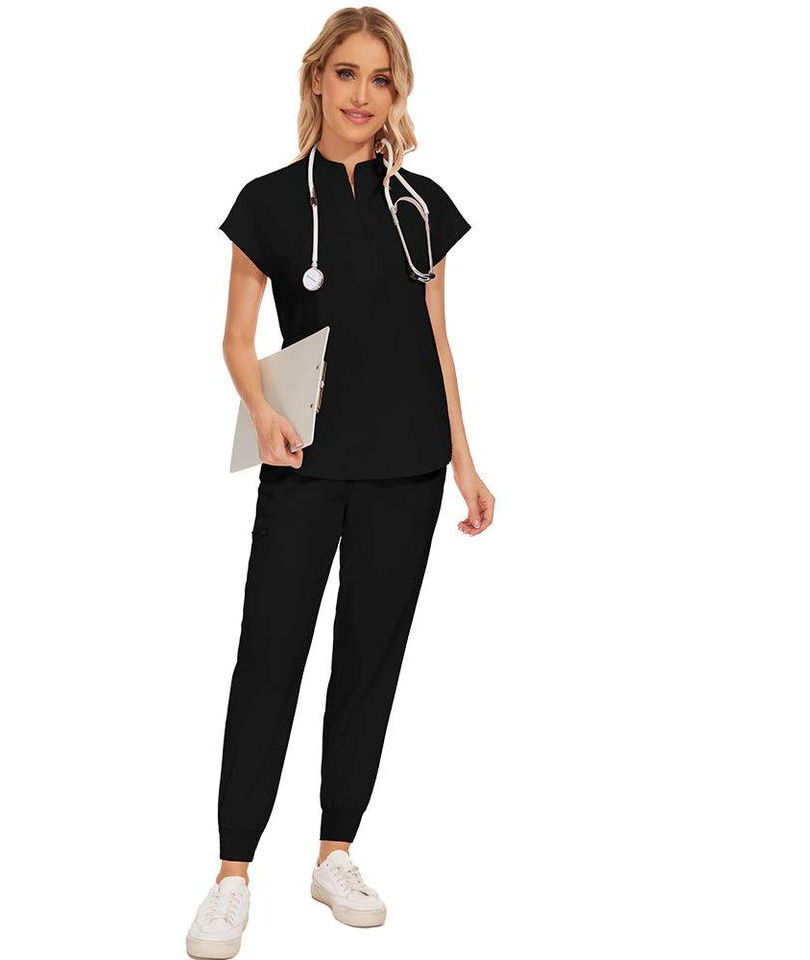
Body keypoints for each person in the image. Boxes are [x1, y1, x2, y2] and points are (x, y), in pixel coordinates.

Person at [186, 8, 495, 958]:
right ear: (317, 77)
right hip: (305, 459)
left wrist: (465, 460)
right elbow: (235, 338)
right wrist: (262, 410)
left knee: (369, 660)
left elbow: (438, 341)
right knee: (269, 655)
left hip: (409, 463)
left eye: (382, 79)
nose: (364, 95)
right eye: (349, 73)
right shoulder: (271, 203)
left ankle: (335, 854)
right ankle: (232, 873)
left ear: (397, 94)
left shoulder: (421, 207)